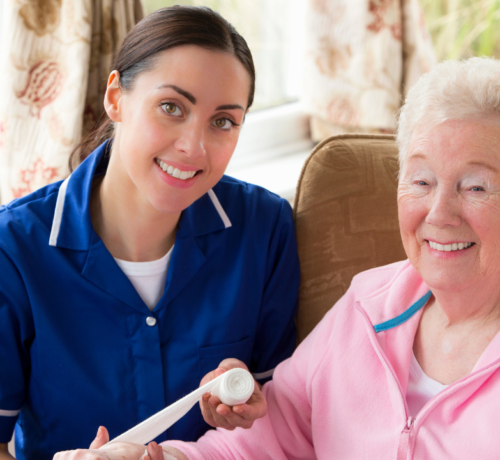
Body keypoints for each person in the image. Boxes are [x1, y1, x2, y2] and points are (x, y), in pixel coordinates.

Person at [63, 56, 500, 460]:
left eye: (476, 187)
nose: (439, 215)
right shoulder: (370, 306)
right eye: (421, 181)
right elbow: (259, 442)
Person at [0, 6, 300, 460]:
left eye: (222, 121)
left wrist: (252, 402)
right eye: (171, 107)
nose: (193, 148)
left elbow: (289, 413)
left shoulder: (265, 228)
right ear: (116, 98)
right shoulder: (13, 249)